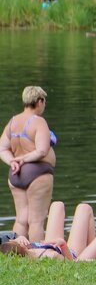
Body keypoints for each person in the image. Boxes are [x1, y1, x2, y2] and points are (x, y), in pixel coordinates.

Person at [2, 85, 58, 241]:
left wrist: (12, 161)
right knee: (36, 220)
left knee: (21, 218)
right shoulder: (38, 122)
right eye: (44, 101)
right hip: (37, 175)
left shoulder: (13, 121)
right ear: (39, 101)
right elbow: (42, 151)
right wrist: (23, 159)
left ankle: (16, 252)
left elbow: (2, 148)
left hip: (15, 175)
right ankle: (36, 254)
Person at [0, 200, 94, 260]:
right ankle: (93, 255)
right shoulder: (48, 257)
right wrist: (63, 245)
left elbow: (8, 244)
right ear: (23, 248)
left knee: (57, 205)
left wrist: (19, 237)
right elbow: (71, 264)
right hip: (69, 253)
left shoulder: (28, 248)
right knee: (84, 208)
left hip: (51, 245)